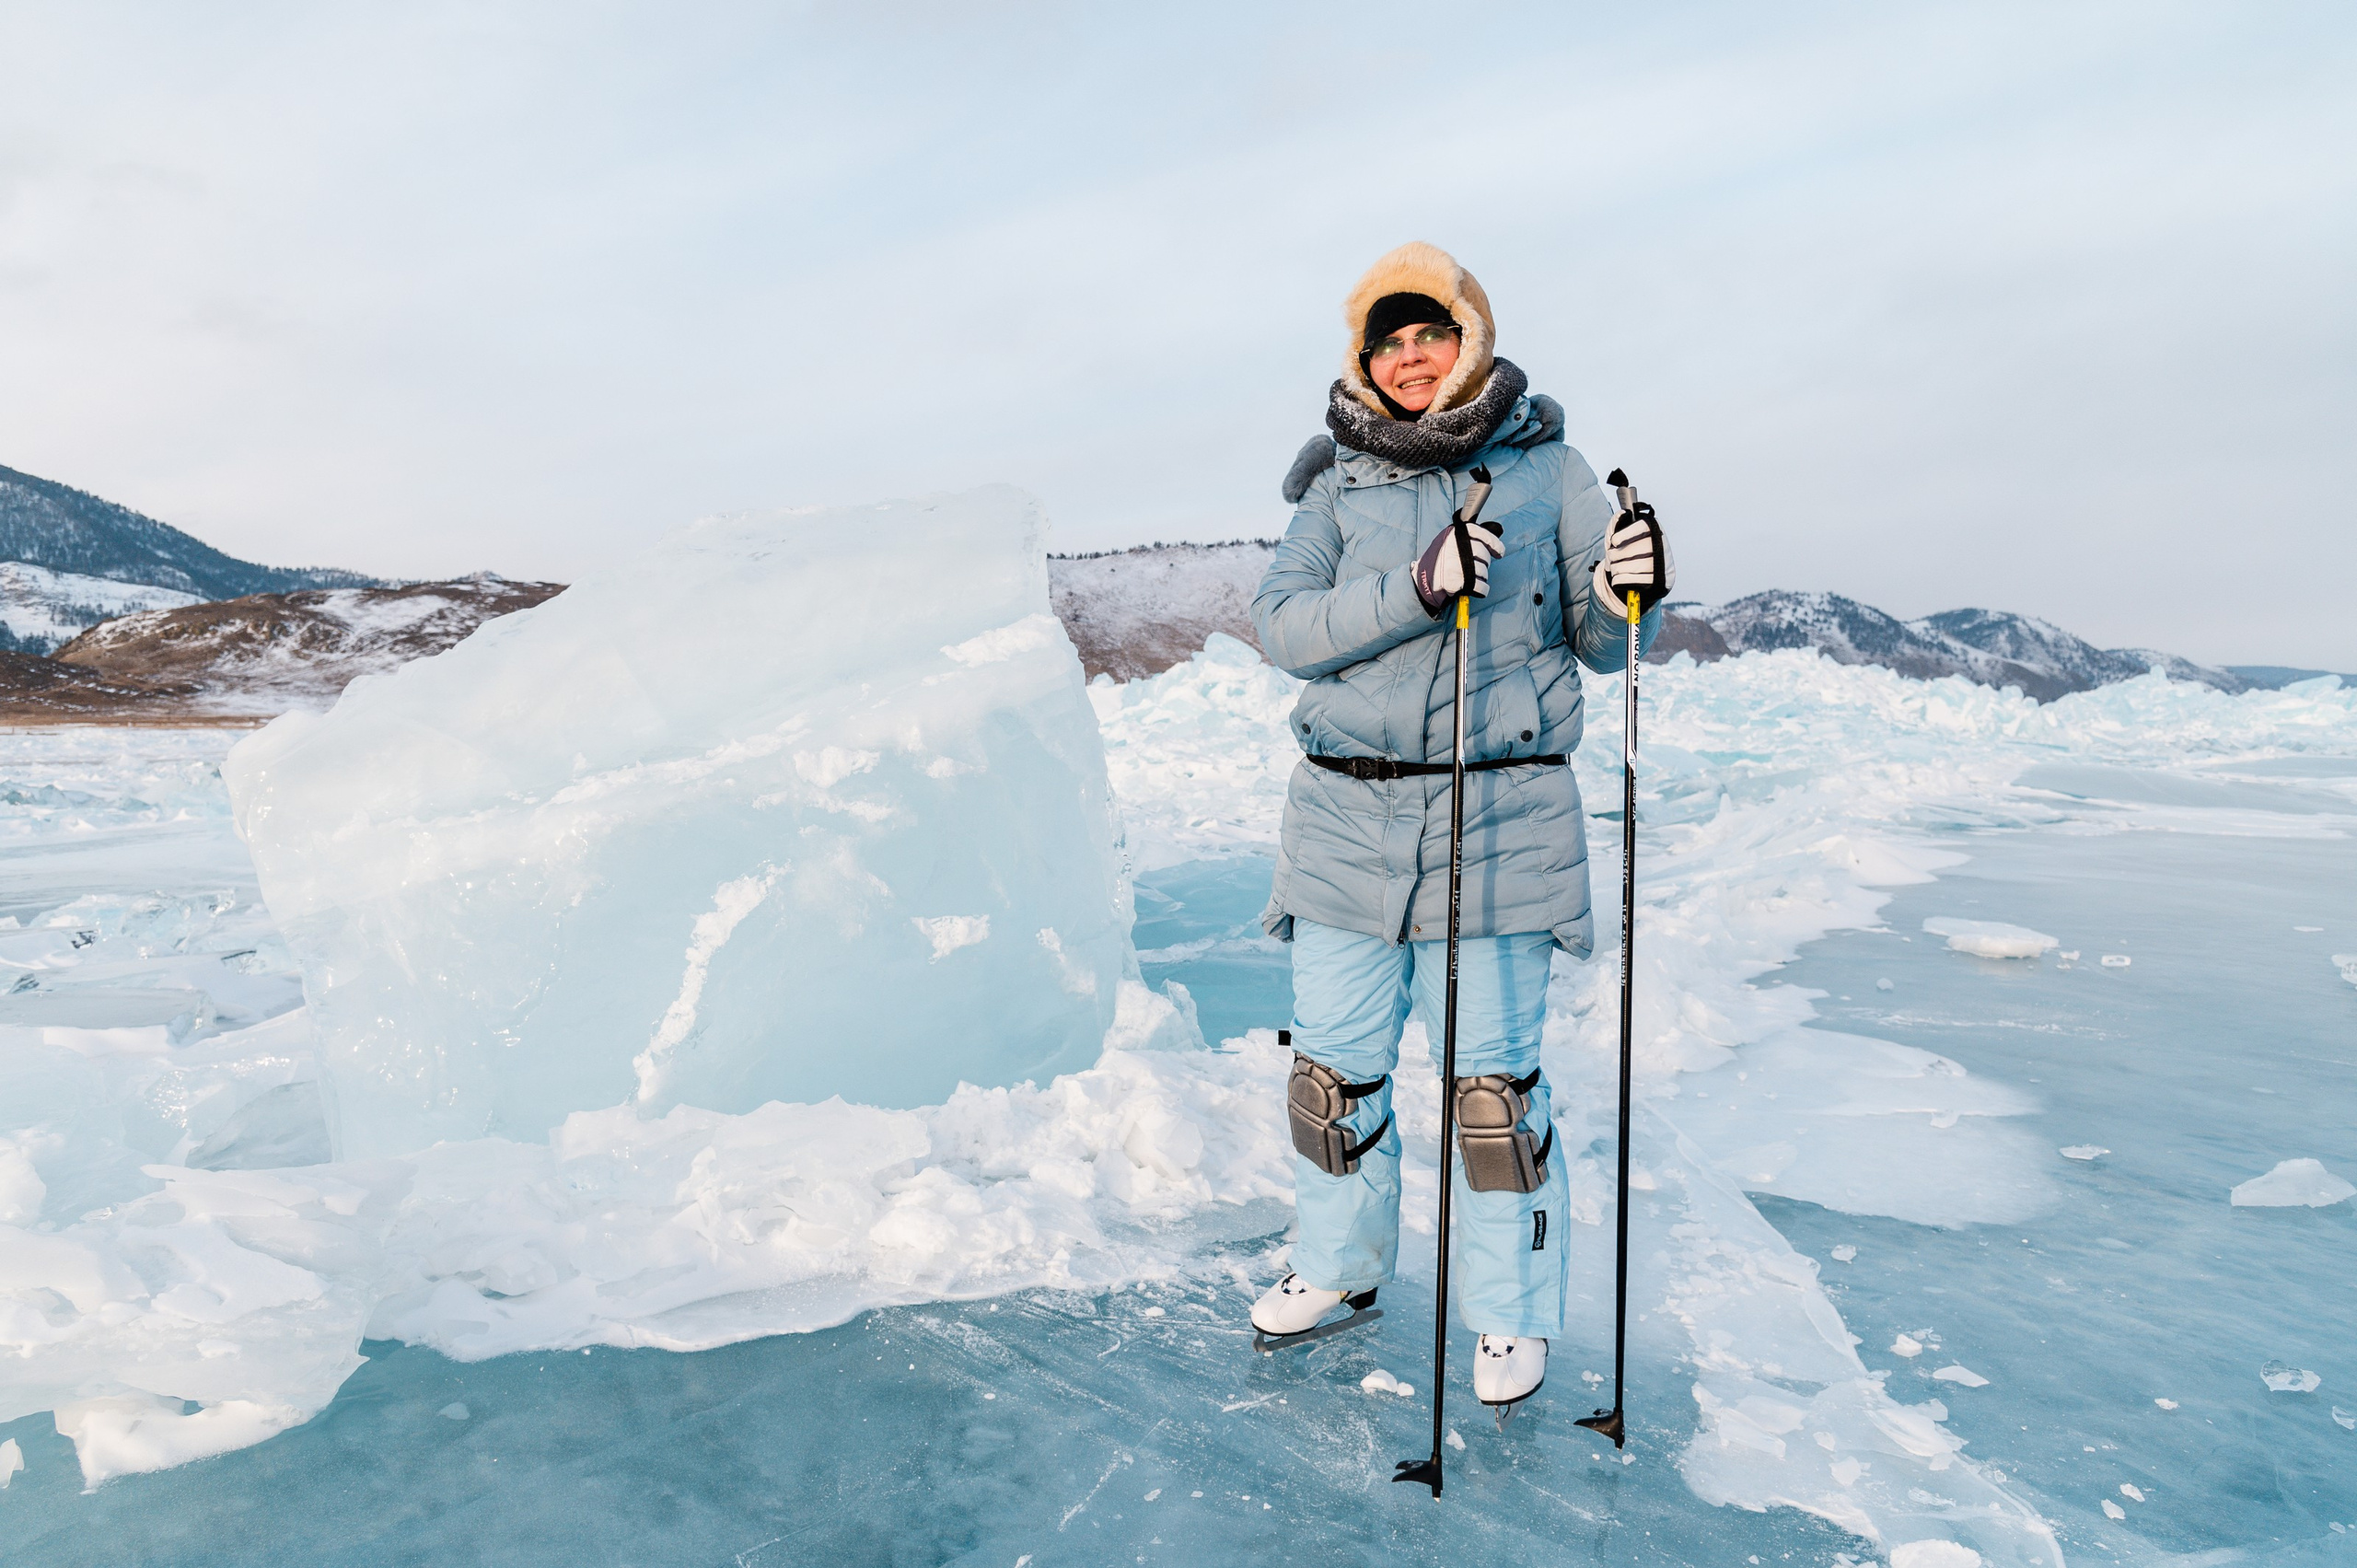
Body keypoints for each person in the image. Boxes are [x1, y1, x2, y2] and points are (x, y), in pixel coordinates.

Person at [1248, 241, 1674, 1416]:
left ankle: (1510, 1314)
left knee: (1493, 1097)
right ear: (1364, 359)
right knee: (1331, 1082)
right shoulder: (1335, 485)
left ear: (1468, 336)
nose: (1409, 359)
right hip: (1342, 818)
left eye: (1428, 334)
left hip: (1497, 819)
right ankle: (1337, 1269)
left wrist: (1629, 580)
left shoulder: (1549, 470)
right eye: (1387, 343)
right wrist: (1418, 587)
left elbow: (1599, 633)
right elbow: (1283, 626)